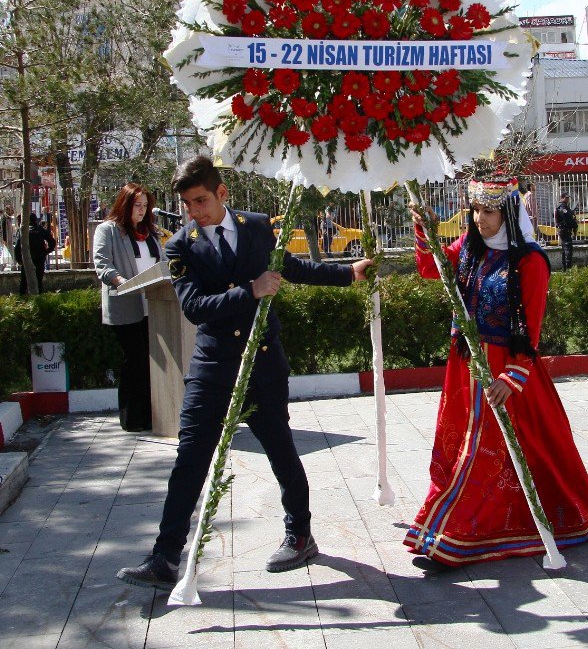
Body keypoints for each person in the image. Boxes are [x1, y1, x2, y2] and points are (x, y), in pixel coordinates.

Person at [117, 156, 373, 590]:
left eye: (200, 200)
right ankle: (165, 556)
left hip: (263, 362)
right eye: (186, 204)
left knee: (281, 451)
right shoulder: (180, 246)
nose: (194, 211)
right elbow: (195, 308)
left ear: (222, 193)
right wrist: (248, 291)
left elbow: (289, 268)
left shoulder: (256, 225)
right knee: (190, 458)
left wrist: (347, 274)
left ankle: (300, 534)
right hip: (213, 366)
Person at [405, 177, 588, 567]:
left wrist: (510, 378)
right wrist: (425, 226)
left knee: (490, 453)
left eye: (490, 211)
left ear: (510, 214)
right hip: (464, 368)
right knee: (463, 448)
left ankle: (458, 537)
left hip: (503, 374)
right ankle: (454, 525)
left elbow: (531, 330)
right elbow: (433, 268)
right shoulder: (469, 249)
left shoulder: (530, 261)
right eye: (476, 210)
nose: (480, 219)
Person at [92, 183, 166, 432]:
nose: (142, 210)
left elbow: (163, 262)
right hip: (126, 305)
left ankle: (153, 415)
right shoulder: (108, 230)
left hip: (154, 305)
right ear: (125, 204)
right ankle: (133, 418)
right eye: (138, 205)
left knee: (152, 362)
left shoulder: (151, 232)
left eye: (146, 206)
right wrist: (124, 282)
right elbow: (102, 265)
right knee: (134, 361)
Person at [13, 212, 56, 294]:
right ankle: (38, 298)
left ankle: (22, 299)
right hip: (39, 258)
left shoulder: (23, 231)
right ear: (36, 220)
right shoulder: (41, 229)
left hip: (27, 259)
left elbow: (17, 247)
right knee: (39, 280)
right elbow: (52, 242)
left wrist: (19, 260)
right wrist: (46, 252)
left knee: (24, 281)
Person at [554, 193, 577, 269]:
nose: (568, 199)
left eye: (568, 198)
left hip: (565, 230)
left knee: (565, 250)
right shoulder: (562, 208)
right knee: (568, 250)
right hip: (564, 230)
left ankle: (565, 269)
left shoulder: (566, 207)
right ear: (562, 198)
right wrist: (575, 224)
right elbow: (568, 219)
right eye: (566, 198)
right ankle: (568, 269)